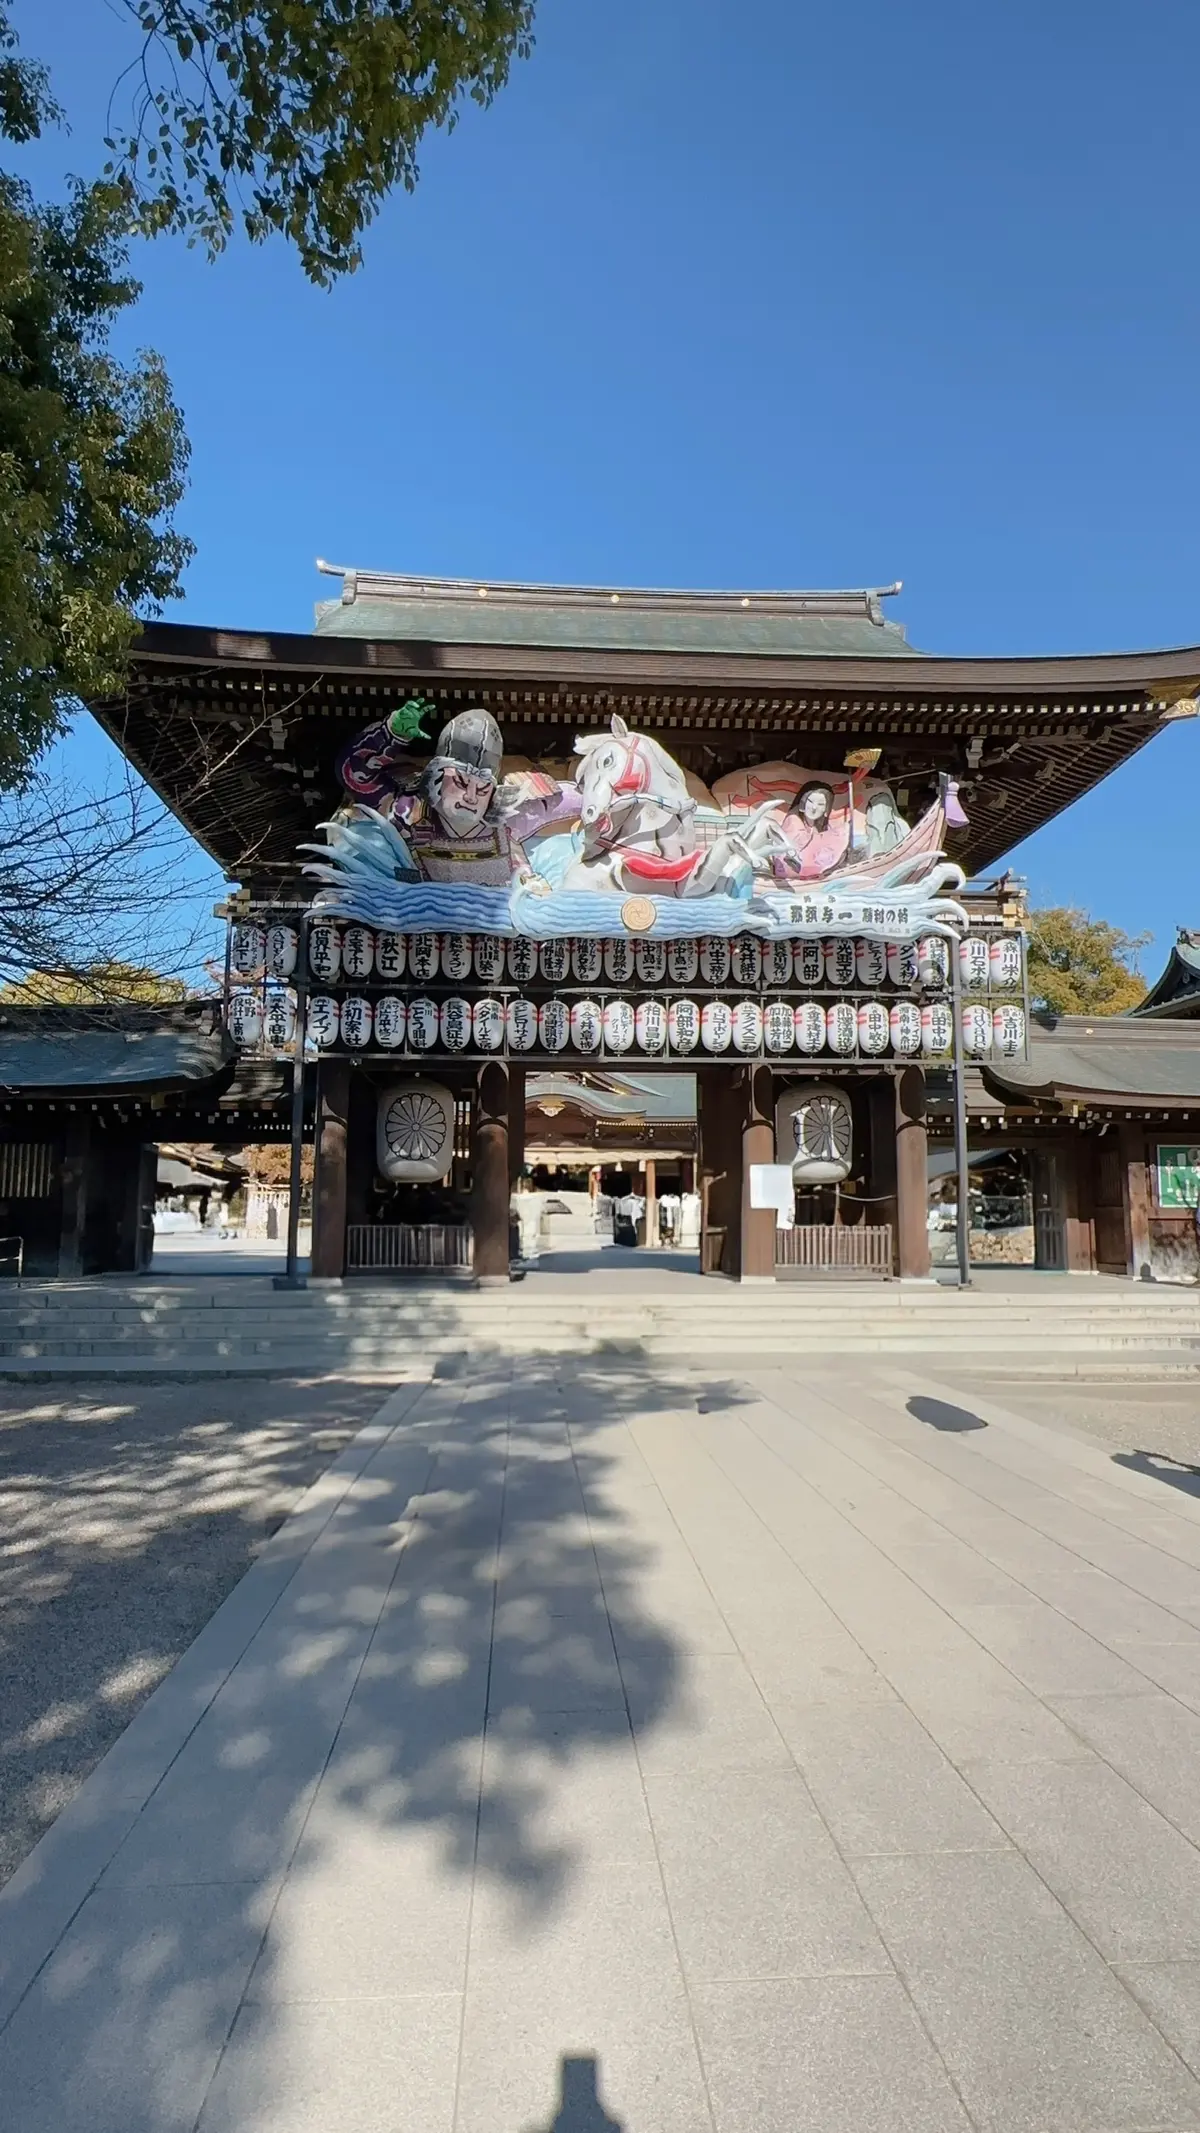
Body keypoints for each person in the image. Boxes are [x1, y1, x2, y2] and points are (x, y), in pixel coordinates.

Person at [778, 780, 848, 879]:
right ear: (803, 802)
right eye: (810, 802)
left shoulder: (817, 824)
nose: (814, 807)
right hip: (791, 867)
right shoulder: (793, 820)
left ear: (826, 809)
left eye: (821, 804)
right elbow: (793, 848)